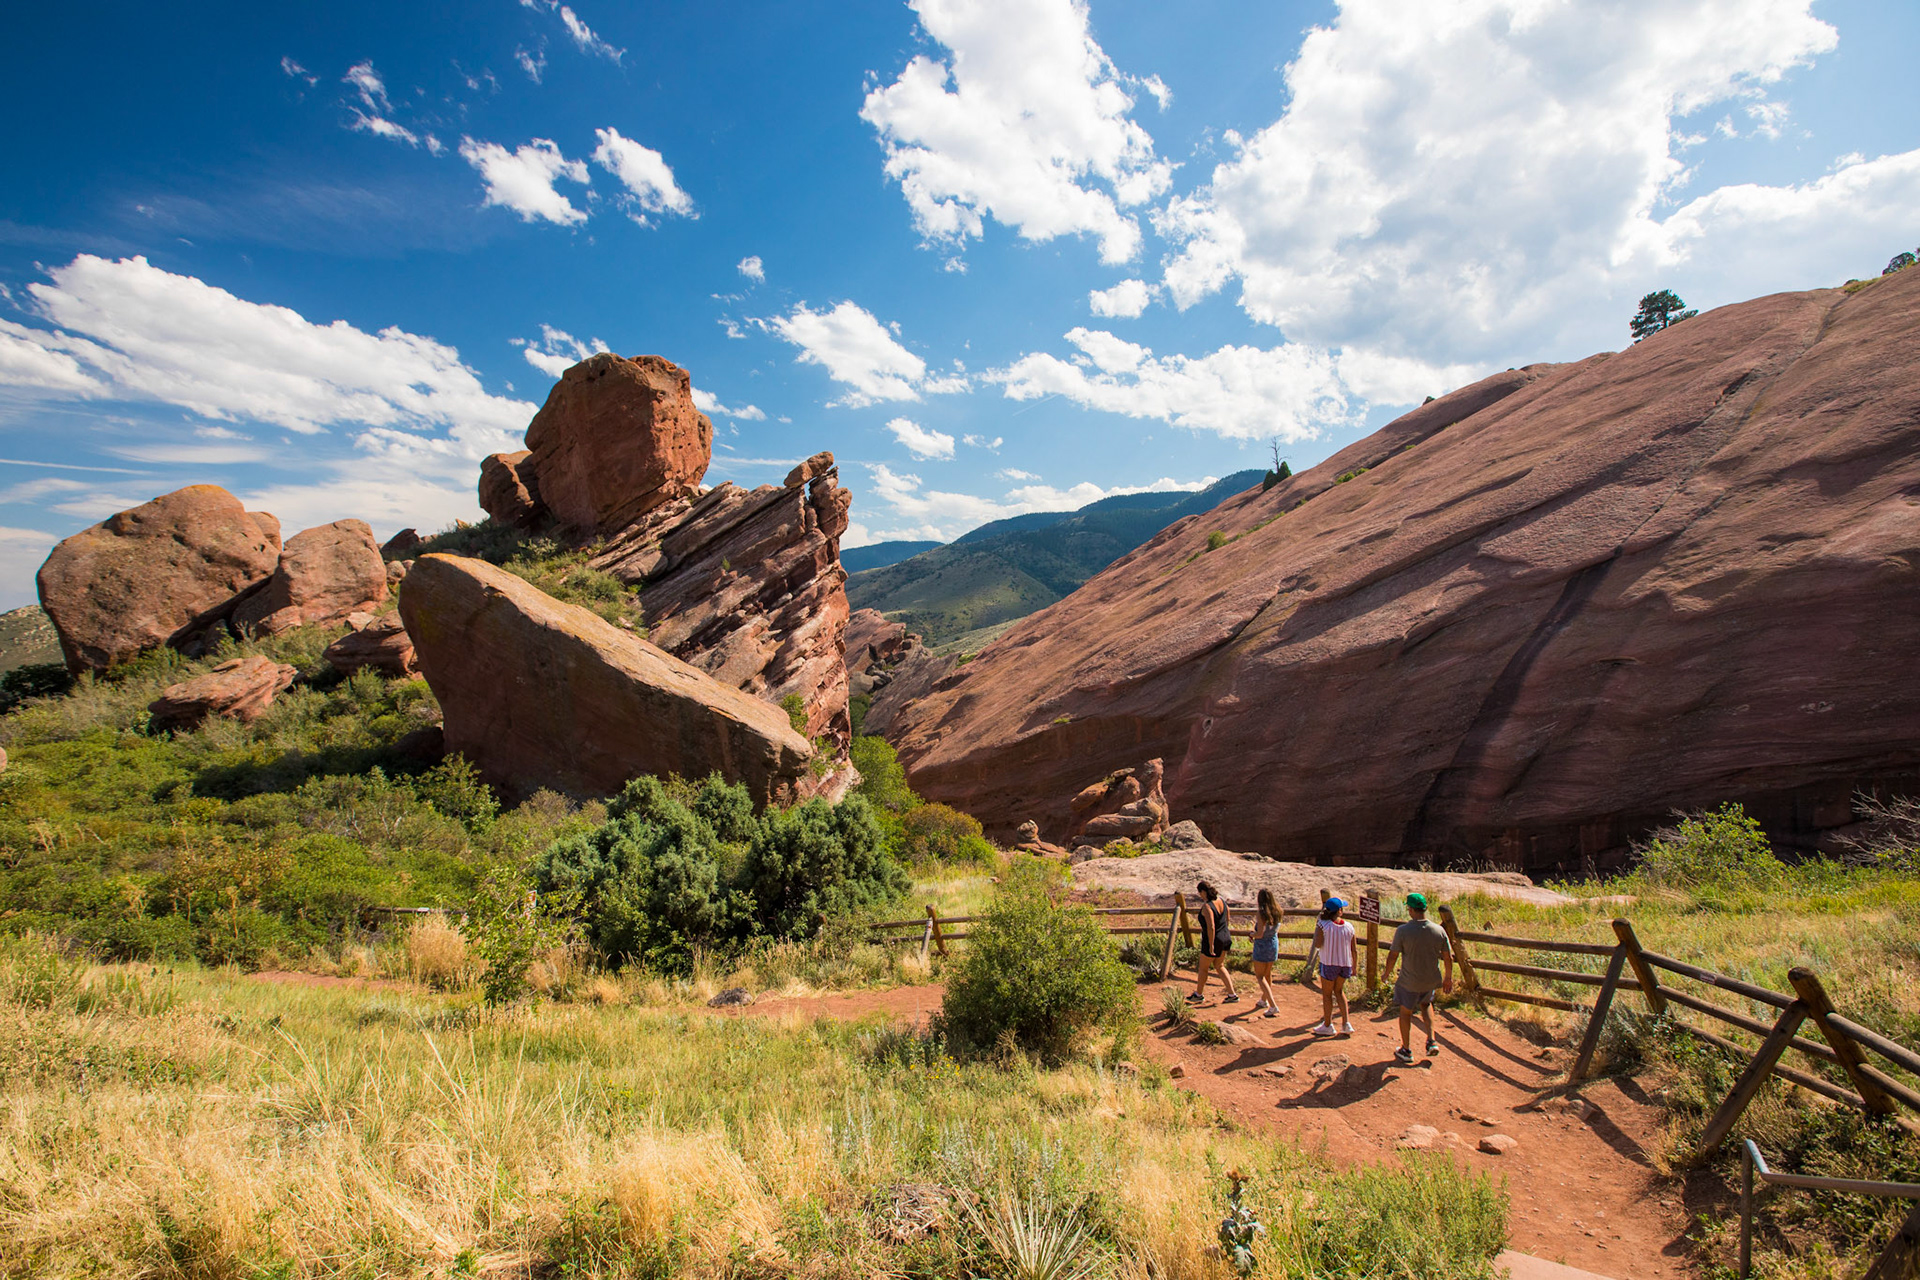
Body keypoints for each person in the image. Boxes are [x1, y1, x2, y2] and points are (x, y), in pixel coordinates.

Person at [1379, 892, 1454, 1064]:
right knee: (1426, 1005)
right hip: (1430, 979)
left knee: (1405, 1012)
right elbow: (1447, 956)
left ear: (1411, 910)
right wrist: (1448, 978)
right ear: (1425, 908)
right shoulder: (1438, 930)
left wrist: (1386, 973)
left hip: (1409, 981)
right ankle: (1431, 1040)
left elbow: (1393, 955)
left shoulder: (1403, 931)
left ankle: (1406, 1049)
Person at [1186, 881, 1239, 1004]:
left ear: (1203, 892)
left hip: (1213, 939)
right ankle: (1232, 994)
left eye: (1200, 892)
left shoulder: (1207, 907)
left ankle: (1199, 994)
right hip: (1225, 937)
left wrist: (1211, 945)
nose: (1200, 895)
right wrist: (1224, 931)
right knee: (1219, 965)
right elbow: (1227, 917)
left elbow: (1211, 927)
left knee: (1203, 968)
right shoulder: (1222, 901)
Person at [1310, 897, 1356, 1037]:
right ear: (1339, 911)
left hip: (1329, 962)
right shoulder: (1349, 927)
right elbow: (1354, 949)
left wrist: (1318, 926)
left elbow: (1317, 944)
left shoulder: (1323, 925)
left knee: (1327, 994)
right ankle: (1346, 1023)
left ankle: (1328, 1025)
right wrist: (1354, 966)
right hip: (1345, 964)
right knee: (1339, 991)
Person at [1247, 888, 1282, 1017]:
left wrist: (1252, 934)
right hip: (1273, 943)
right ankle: (1264, 999)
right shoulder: (1278, 911)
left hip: (1262, 945)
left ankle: (1273, 1005)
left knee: (1260, 976)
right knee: (1267, 973)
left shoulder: (1261, 913)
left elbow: (1260, 934)